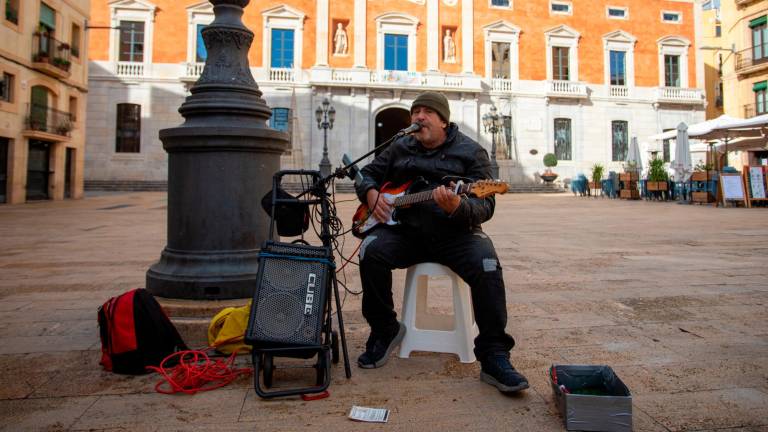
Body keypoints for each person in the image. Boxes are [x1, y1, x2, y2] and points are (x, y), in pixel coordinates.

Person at [353, 91, 529, 394]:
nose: (419, 116)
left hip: (455, 234)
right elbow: (366, 174)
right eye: (415, 111)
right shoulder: (400, 146)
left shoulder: (471, 152)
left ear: (443, 120)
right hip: (405, 232)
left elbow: (484, 208)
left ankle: (494, 354)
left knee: (487, 264)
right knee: (371, 250)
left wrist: (457, 207)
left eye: (427, 112)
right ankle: (385, 330)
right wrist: (371, 194)